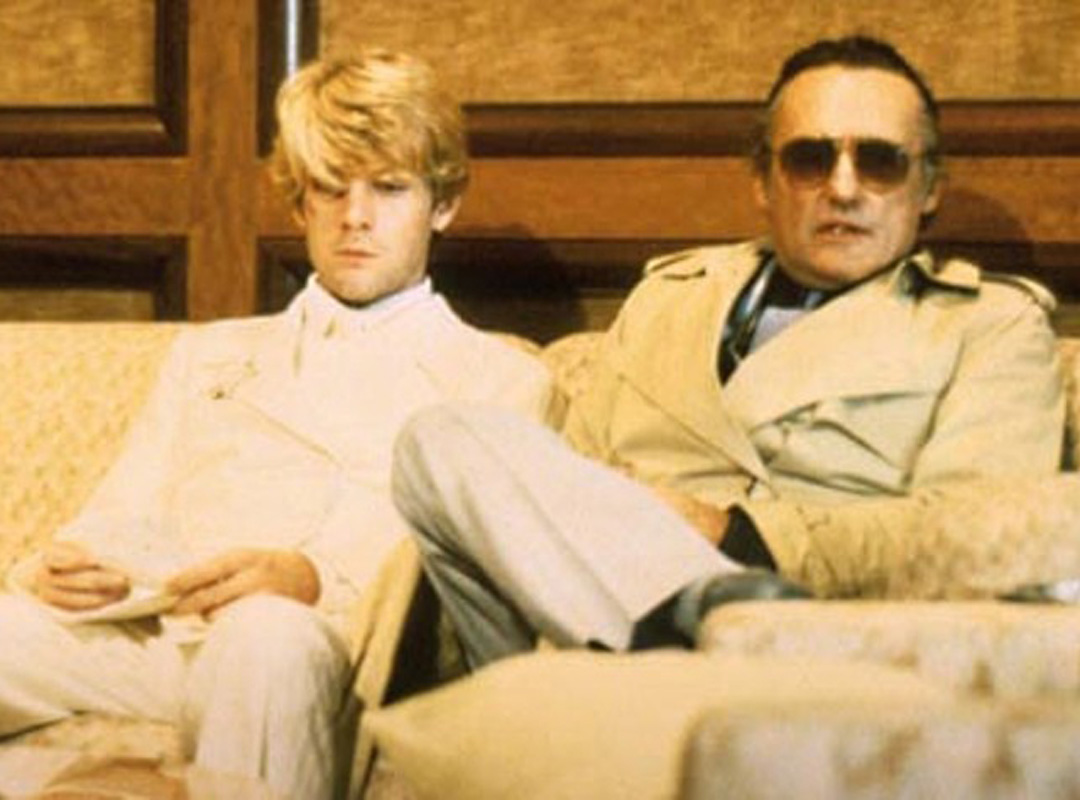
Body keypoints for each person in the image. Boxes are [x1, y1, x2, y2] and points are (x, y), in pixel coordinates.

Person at [391, 36, 1065, 669]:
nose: (843, 187)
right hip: (589, 634)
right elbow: (572, 485)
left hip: (804, 645)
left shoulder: (988, 326)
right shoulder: (669, 297)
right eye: (810, 159)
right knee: (440, 439)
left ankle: (699, 610)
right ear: (763, 181)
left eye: (880, 161)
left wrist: (733, 532)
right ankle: (672, 615)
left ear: (929, 188)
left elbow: (973, 536)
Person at [0, 51, 551, 798]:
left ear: (442, 205)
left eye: (389, 189)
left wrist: (313, 577)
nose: (355, 218)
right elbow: (120, 512)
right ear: (300, 206)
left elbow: (469, 586)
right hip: (161, 639)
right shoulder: (210, 353)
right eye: (330, 188)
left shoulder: (501, 379)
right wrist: (59, 568)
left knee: (265, 636)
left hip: (329, 646)